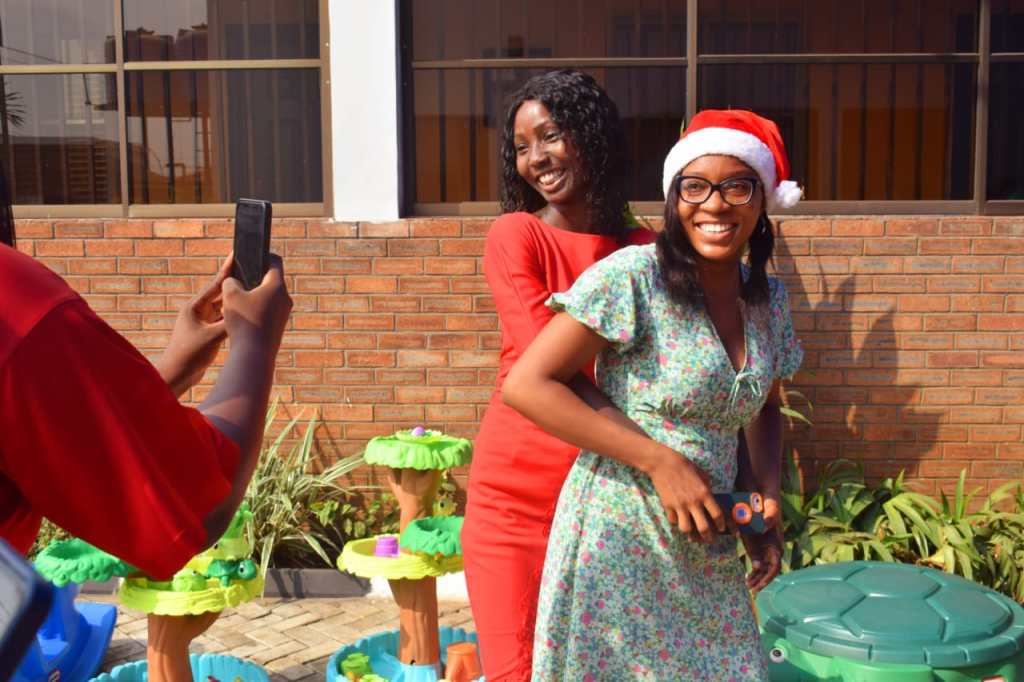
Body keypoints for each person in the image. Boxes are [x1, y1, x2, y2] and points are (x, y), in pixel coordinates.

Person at [502, 109, 804, 680]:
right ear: (674, 198)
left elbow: (763, 405)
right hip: (622, 537)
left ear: (762, 201)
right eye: (696, 187)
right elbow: (528, 385)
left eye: (737, 187)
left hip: (708, 540)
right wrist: (660, 462)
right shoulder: (634, 277)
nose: (715, 204)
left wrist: (761, 503)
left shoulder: (768, 299)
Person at [0, 165, 292, 586]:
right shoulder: (16, 302)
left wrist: (175, 366)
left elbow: (69, 433)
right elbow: (197, 503)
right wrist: (255, 342)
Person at [460, 69, 657, 681]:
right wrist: (656, 458)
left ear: (591, 134)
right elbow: (547, 366)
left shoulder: (643, 249)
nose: (536, 159)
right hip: (515, 504)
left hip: (608, 500)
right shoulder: (516, 235)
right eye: (522, 147)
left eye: (550, 136)